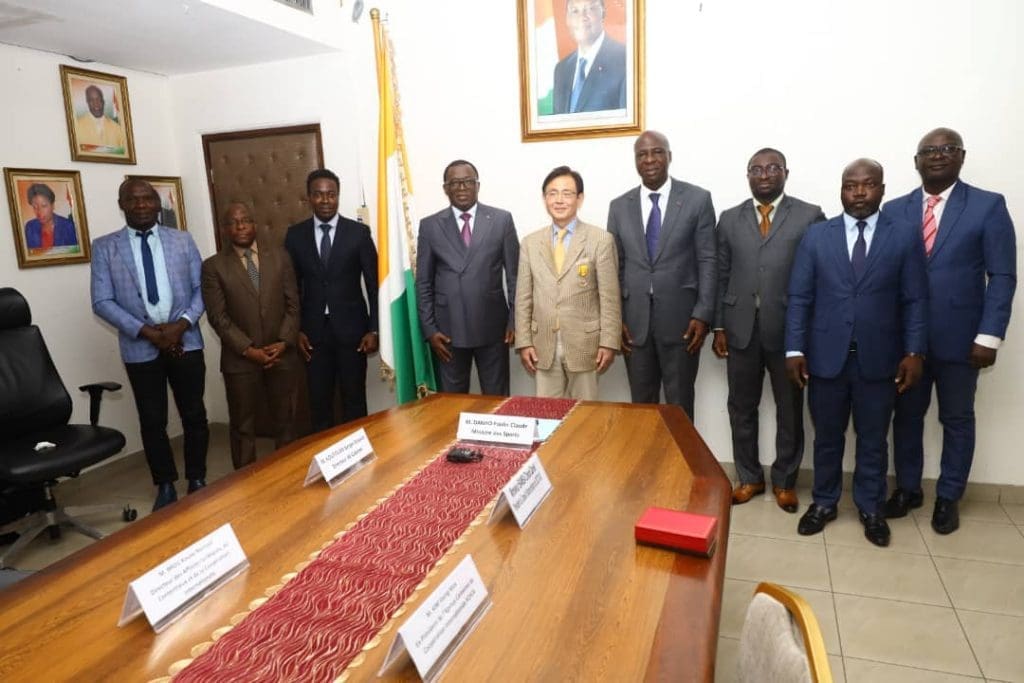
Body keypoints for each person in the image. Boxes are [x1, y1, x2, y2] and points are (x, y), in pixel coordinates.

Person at [784, 159, 928, 547]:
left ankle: (870, 506)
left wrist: (914, 350)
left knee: (873, 438)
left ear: (882, 189)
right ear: (841, 190)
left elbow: (915, 299)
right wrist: (794, 348)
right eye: (851, 186)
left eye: (868, 185)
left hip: (880, 358)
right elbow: (799, 297)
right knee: (827, 437)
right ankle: (825, 502)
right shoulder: (817, 237)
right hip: (825, 356)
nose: (859, 193)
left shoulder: (902, 236)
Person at [885, 128, 1017, 534]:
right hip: (907, 342)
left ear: (961, 156)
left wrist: (989, 336)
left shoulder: (987, 206)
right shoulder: (894, 209)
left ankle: (948, 496)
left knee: (957, 418)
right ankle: (908, 489)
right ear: (916, 162)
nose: (937, 156)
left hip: (963, 342)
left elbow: (1004, 275)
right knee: (906, 417)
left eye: (947, 149)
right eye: (929, 151)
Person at [714, 149, 826, 513]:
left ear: (786, 173)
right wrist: (719, 325)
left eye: (772, 168)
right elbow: (720, 274)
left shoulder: (810, 216)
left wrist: (809, 334)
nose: (764, 175)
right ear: (747, 175)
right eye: (756, 169)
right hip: (739, 329)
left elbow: (819, 278)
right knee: (740, 407)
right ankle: (748, 477)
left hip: (789, 332)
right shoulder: (729, 219)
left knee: (790, 409)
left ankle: (784, 481)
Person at [90, 179, 209, 511]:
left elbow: (202, 290)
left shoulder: (182, 241)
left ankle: (197, 478)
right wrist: (147, 332)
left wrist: (180, 325)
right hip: (140, 347)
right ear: (121, 204)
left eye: (147, 199)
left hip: (185, 341)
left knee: (194, 413)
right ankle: (166, 484)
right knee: (152, 419)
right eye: (133, 200)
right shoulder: (105, 247)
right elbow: (101, 301)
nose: (140, 205)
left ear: (158, 205)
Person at [607, 130, 716, 420]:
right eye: (642, 154)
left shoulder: (697, 199)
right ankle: (647, 466)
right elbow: (613, 267)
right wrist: (615, 319)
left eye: (657, 152)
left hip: (683, 322)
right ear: (635, 161)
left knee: (679, 406)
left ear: (669, 156)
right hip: (634, 325)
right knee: (642, 406)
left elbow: (708, 259)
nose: (650, 159)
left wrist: (703, 314)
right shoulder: (619, 207)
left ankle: (681, 466)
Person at [202, 202, 301, 470]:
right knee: (243, 426)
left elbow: (293, 304)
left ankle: (289, 473)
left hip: (282, 355)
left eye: (246, 220)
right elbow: (218, 317)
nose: (241, 226)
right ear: (225, 229)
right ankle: (245, 484)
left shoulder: (280, 257)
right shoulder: (213, 267)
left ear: (254, 224)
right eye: (234, 222)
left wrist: (283, 341)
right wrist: (249, 350)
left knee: (286, 421)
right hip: (240, 361)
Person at [284, 169, 379, 432]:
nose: (325, 201)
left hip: (353, 333)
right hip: (313, 335)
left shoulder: (358, 233)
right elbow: (290, 287)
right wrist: (297, 330)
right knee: (319, 402)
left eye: (331, 195)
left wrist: (374, 329)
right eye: (319, 195)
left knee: (354, 401)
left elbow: (373, 285)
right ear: (309, 198)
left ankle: (361, 460)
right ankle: (325, 458)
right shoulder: (295, 235)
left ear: (338, 197)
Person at [515, 166, 620, 399]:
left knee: (585, 419)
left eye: (567, 193)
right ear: (544, 199)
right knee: (547, 418)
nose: (559, 200)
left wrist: (609, 342)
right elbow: (523, 297)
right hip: (543, 345)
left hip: (586, 345)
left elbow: (610, 297)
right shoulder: (530, 243)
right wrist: (523, 341)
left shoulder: (600, 240)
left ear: (579, 199)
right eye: (552, 193)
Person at [416, 160, 520, 395]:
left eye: (467, 182)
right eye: (455, 183)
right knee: (452, 404)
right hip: (447, 331)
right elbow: (423, 282)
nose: (462, 187)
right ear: (445, 188)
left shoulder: (501, 220)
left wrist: (515, 319)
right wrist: (430, 330)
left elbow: (515, 276)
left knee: (496, 400)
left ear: (477, 185)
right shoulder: (430, 226)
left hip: (493, 327)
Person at [552, 0, 626, 114]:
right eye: (575, 11)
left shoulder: (625, 60)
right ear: (567, 19)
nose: (582, 17)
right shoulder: (561, 69)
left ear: (603, 13)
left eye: (590, 8)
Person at [23, 183, 78, 250]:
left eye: (44, 206)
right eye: (35, 207)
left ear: (52, 205)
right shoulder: (30, 227)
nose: (39, 211)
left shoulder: (67, 226)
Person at [74, 85, 127, 152]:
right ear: (87, 103)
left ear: (103, 101)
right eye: (91, 100)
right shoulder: (77, 126)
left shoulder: (117, 129)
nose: (96, 103)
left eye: (98, 99)